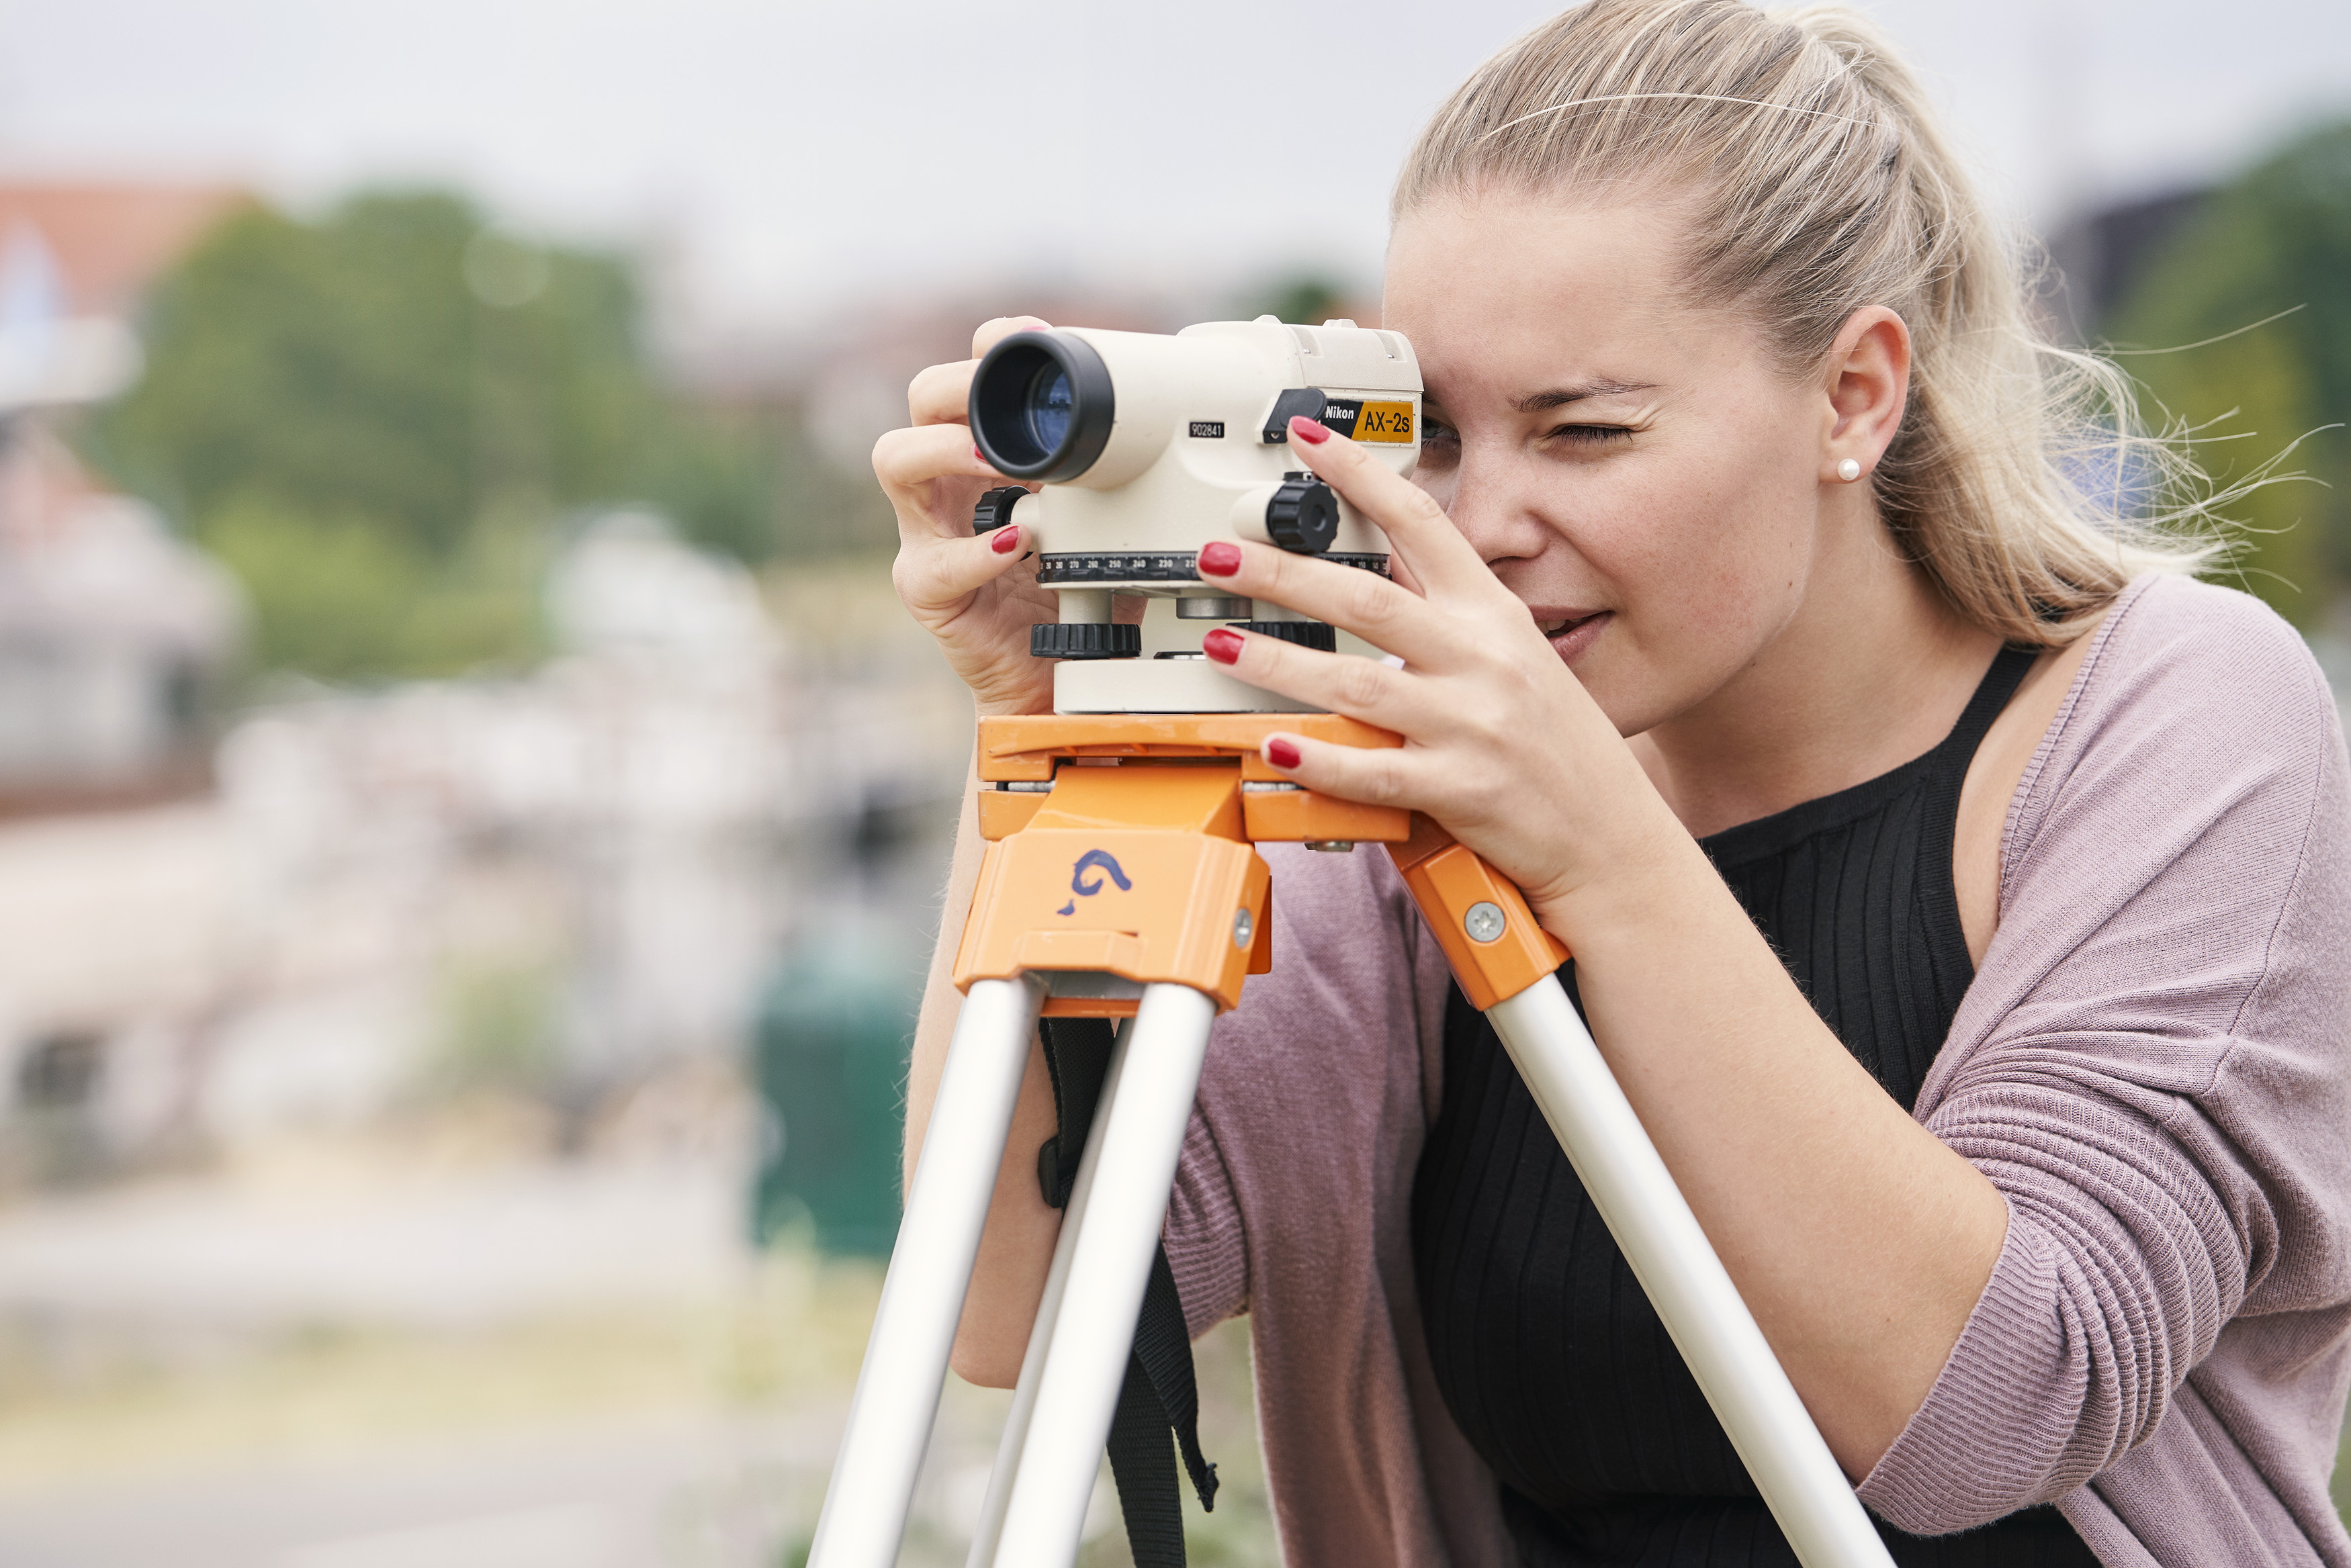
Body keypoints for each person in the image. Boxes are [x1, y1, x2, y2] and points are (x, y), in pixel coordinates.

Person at [874, 1, 2351, 1563]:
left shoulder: (2170, 710)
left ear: (1853, 394)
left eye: (1582, 433)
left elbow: (1998, 1404)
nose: (1484, 519)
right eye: (1429, 434)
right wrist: (1053, 735)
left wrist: (1596, 847)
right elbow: (1015, 1304)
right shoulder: (1405, 770)